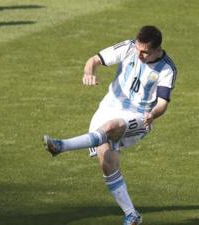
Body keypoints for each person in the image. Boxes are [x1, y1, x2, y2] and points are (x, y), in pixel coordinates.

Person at [43, 25, 176, 225]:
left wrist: (153, 114)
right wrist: (89, 72)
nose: (139, 55)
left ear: (158, 49)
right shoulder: (128, 47)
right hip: (108, 107)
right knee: (107, 161)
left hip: (139, 116)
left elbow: (163, 103)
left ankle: (61, 146)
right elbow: (94, 60)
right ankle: (132, 214)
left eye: (145, 52)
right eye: (138, 49)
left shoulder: (167, 68)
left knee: (110, 127)